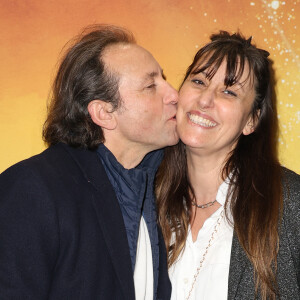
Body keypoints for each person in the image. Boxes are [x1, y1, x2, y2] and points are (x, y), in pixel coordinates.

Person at [0, 25, 179, 299]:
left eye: (164, 79)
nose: (174, 95)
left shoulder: (148, 194)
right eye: (150, 85)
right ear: (104, 113)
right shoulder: (32, 189)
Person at [156, 31, 300, 300]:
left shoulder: (291, 203)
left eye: (229, 92)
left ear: (251, 121)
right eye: (199, 81)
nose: (205, 100)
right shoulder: (143, 197)